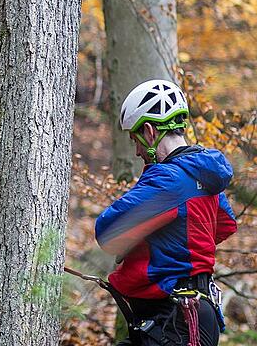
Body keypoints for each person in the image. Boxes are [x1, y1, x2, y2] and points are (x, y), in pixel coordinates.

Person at [95, 79, 237, 346]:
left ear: (149, 132)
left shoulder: (168, 180)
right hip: (185, 318)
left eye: (135, 140)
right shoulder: (204, 177)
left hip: (177, 322)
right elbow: (225, 224)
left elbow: (107, 231)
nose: (137, 151)